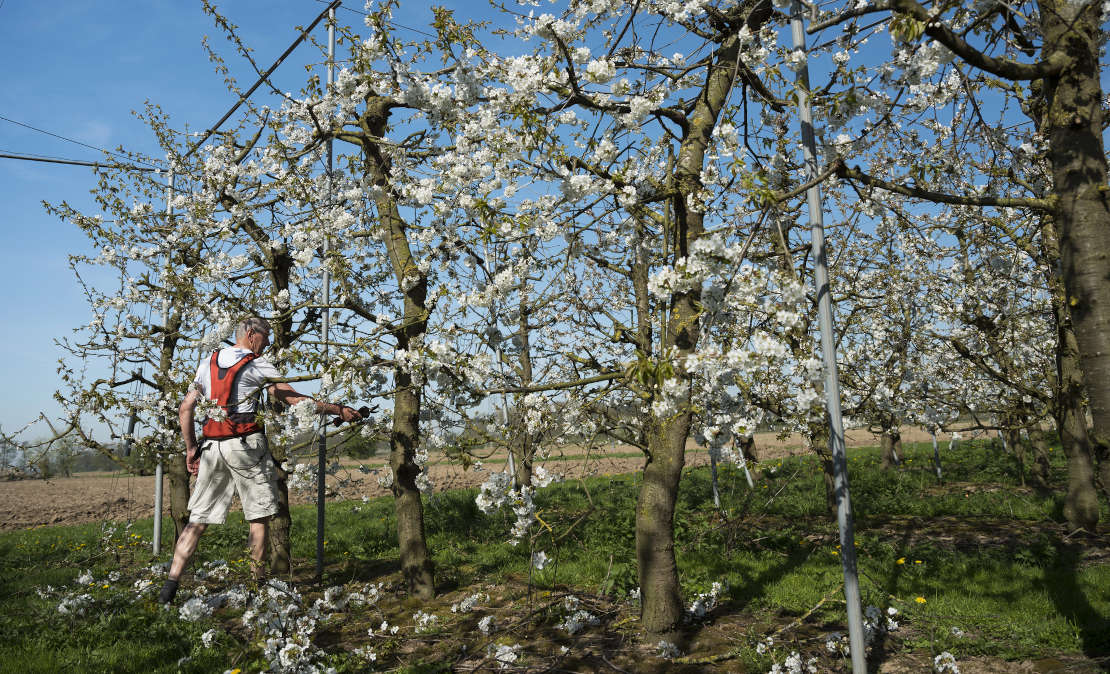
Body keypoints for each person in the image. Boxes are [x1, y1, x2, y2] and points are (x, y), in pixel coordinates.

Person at [159, 317, 360, 604]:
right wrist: (336, 410)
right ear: (251, 334)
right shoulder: (256, 363)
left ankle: (169, 587)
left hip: (212, 448)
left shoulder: (208, 362)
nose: (268, 343)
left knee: (197, 520)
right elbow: (294, 399)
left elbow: (186, 407)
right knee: (258, 518)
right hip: (246, 447)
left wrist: (191, 448)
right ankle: (258, 588)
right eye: (266, 337)